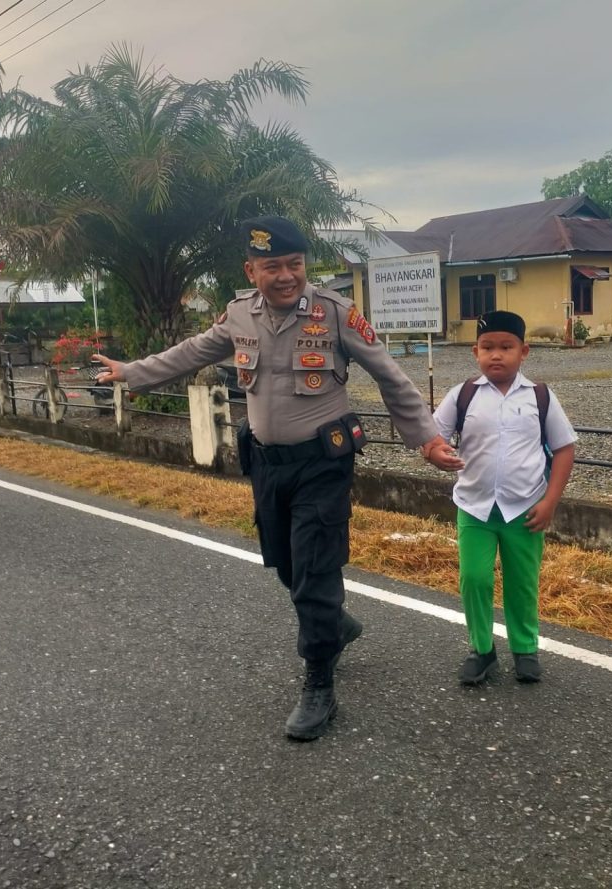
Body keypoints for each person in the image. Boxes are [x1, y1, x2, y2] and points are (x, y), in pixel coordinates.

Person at [93, 216, 462, 741]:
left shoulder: (336, 314)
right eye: (273, 267)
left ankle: (318, 683)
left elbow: (390, 375)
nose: (286, 275)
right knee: (286, 564)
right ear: (252, 269)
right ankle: (334, 623)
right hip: (266, 464)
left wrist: (425, 438)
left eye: (295, 264)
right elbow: (195, 351)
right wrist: (133, 371)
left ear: (305, 266)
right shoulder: (240, 314)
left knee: (313, 570)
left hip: (323, 464)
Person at [431, 310, 576, 684]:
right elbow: (432, 437)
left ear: (524, 352)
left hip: (525, 509)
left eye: (506, 347)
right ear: (475, 352)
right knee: (474, 579)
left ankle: (525, 649)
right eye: (488, 347)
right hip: (474, 507)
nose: (497, 355)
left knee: (522, 582)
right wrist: (435, 453)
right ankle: (481, 650)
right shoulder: (463, 395)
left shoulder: (539, 397)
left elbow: (564, 449)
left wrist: (550, 502)